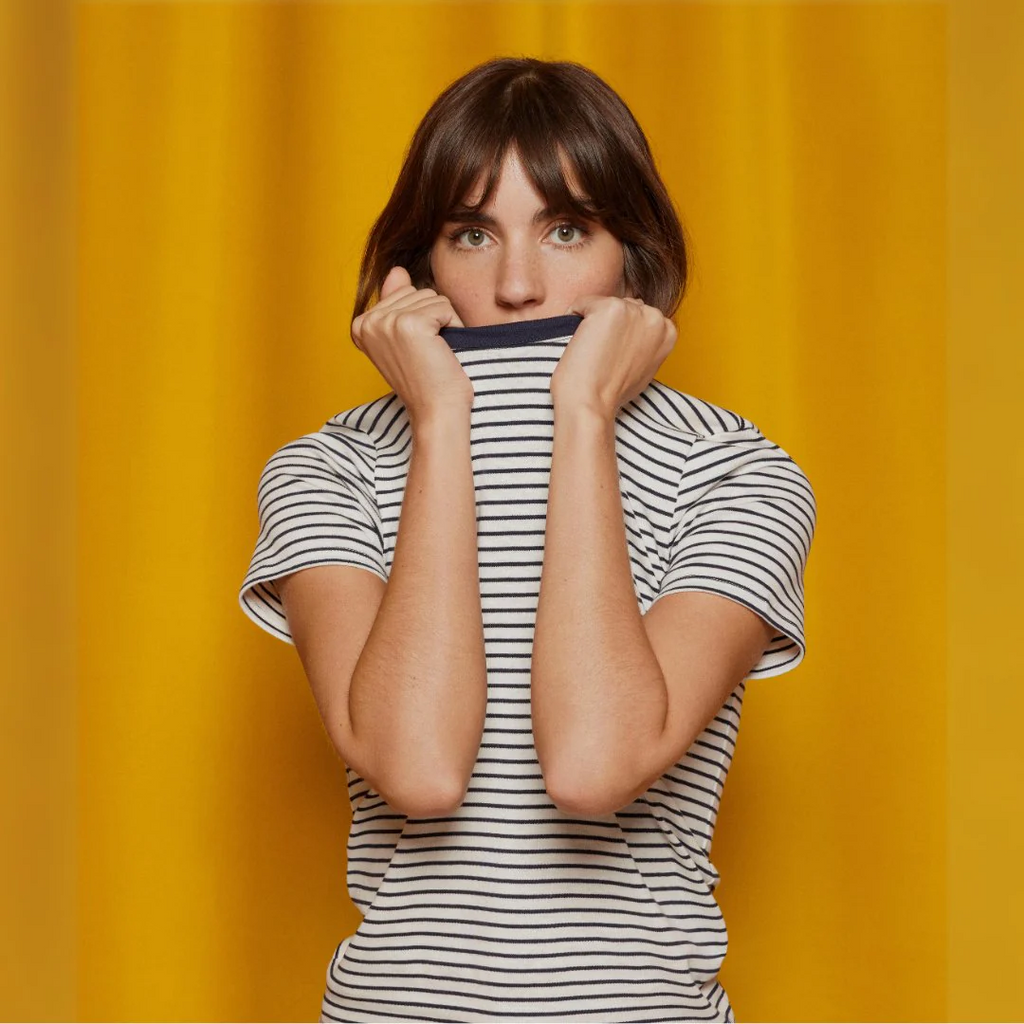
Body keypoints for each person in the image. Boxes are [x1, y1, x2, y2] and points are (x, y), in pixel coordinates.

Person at [239, 56, 816, 1023]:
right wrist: (441, 423)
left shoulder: (734, 471)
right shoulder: (330, 469)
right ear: (417, 268)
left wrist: (584, 414)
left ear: (631, 254)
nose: (515, 284)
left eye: (565, 230)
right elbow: (417, 765)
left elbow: (593, 765)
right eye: (472, 233)